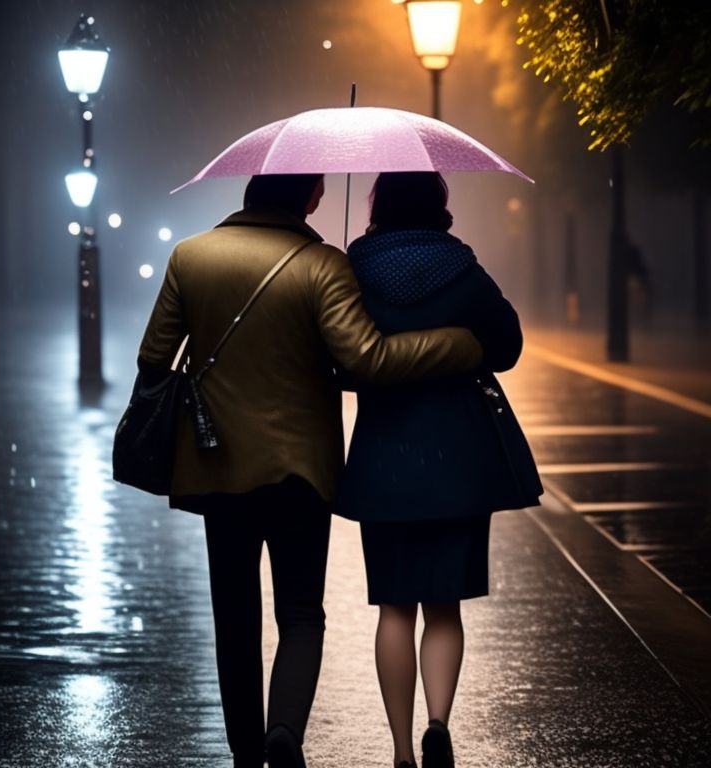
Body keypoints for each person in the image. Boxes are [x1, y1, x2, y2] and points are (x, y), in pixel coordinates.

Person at [137, 173, 485, 768]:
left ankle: (246, 748)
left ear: (249, 193)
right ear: (310, 199)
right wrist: (459, 345)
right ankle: (285, 732)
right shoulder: (322, 264)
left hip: (216, 465)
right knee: (301, 611)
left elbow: (153, 359)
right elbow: (367, 358)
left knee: (234, 612)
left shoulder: (189, 257)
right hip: (300, 467)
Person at [340, 172, 542, 768]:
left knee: (395, 608)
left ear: (379, 204)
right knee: (444, 608)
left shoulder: (354, 272)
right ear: (439, 206)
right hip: (459, 456)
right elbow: (507, 346)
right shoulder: (463, 270)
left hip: (385, 456)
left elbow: (337, 356)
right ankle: (436, 723)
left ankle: (401, 750)